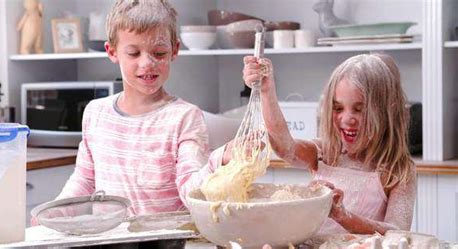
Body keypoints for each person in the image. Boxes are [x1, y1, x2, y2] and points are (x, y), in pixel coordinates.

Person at [55, 0, 227, 216]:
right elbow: (84, 180)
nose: (147, 63)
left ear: (174, 50)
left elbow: (192, 193)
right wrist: (54, 213)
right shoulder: (95, 113)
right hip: (110, 241)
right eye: (134, 53)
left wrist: (219, 160)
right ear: (112, 51)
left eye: (159, 53)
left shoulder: (184, 117)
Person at [242, 53, 416, 235]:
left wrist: (344, 216)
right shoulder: (326, 152)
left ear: (386, 111)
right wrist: (266, 91)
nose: (347, 119)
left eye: (359, 109)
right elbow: (286, 148)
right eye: (338, 108)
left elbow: (397, 232)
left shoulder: (399, 170)